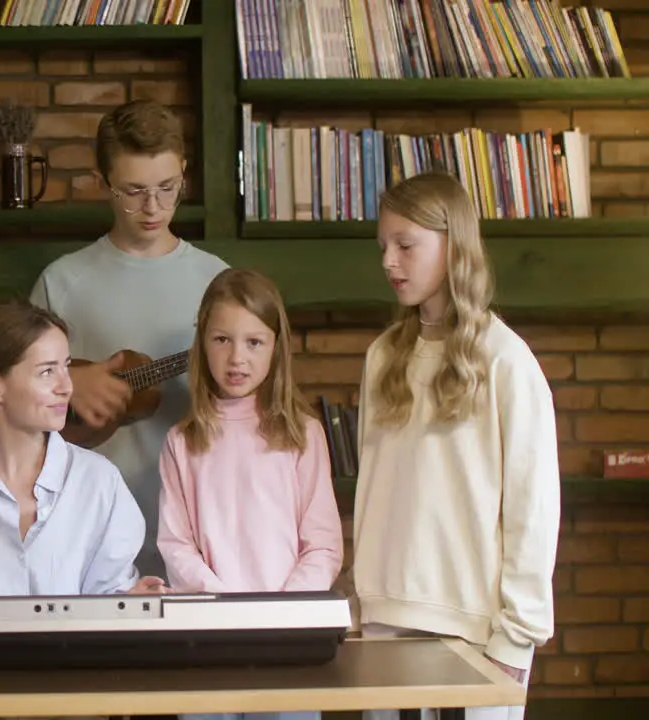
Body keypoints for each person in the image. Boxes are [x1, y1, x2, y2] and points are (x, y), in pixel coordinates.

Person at [351, 172, 560, 720]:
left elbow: (532, 509)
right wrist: (362, 604)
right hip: (383, 622)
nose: (388, 263)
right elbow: (373, 493)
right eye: (383, 247)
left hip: (475, 633)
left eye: (405, 245)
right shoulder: (380, 357)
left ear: (453, 245)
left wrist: (518, 637)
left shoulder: (506, 361)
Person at [28, 99, 228, 578]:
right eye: (133, 192)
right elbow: (11, 411)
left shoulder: (219, 284)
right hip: (84, 538)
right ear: (102, 184)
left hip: (199, 535)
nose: (153, 207)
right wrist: (70, 384)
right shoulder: (61, 282)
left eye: (167, 187)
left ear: (184, 172)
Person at [158, 268, 341, 720]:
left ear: (276, 347)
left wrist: (278, 614)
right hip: (207, 641)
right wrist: (223, 610)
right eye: (222, 340)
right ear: (202, 343)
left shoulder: (304, 435)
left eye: (253, 342)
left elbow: (322, 544)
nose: (236, 357)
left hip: (287, 642)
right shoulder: (182, 441)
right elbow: (176, 544)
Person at [0, 299, 165, 598]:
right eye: (47, 372)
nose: (67, 386)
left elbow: (112, 604)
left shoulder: (100, 482)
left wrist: (132, 601)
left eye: (67, 367)